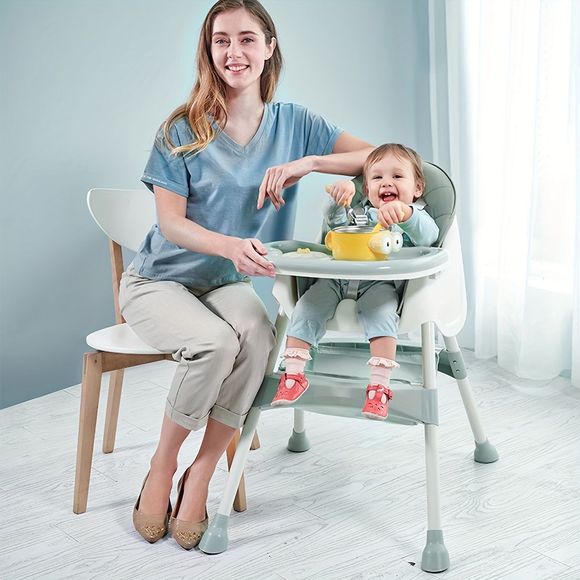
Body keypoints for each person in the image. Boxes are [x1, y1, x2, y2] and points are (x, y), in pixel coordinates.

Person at [119, 0, 374, 549]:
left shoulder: (295, 124)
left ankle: (202, 473)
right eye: (221, 40)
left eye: (246, 39)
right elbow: (171, 223)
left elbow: (377, 156)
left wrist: (309, 162)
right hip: (158, 282)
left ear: (269, 47)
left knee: (259, 337)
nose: (234, 52)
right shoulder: (181, 129)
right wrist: (233, 246)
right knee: (214, 344)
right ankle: (163, 466)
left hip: (223, 284)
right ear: (208, 51)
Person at [271, 144, 439, 419]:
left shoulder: (414, 218)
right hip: (336, 279)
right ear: (366, 189)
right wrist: (338, 200)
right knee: (306, 307)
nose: (387, 183)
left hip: (380, 285)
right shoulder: (360, 214)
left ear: (418, 187)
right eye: (377, 177)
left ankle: (379, 387)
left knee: (382, 314)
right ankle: (293, 376)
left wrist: (406, 213)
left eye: (397, 176)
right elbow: (334, 225)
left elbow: (429, 236)